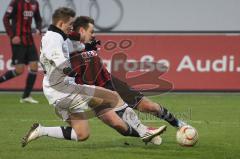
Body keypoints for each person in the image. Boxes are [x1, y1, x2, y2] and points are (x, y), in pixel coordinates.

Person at [21, 7, 166, 147]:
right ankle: (143, 131)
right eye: (70, 24)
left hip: (56, 92)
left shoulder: (58, 36)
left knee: (82, 134)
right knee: (113, 97)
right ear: (61, 23)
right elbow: (59, 61)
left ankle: (41, 130)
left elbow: (76, 46)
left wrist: (88, 47)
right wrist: (69, 69)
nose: (72, 27)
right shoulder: (53, 38)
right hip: (63, 89)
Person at [69, 16, 188, 131]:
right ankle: (146, 133)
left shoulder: (89, 44)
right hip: (92, 92)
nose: (94, 34)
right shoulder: (67, 46)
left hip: (110, 82)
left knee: (150, 106)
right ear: (81, 30)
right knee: (120, 125)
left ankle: (179, 124)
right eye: (91, 31)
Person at [1, 0, 42, 103]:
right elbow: (5, 18)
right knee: (19, 70)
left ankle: (26, 96)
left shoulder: (35, 3)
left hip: (29, 40)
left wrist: (38, 28)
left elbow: (38, 18)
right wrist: (12, 35)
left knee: (34, 66)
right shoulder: (15, 2)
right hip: (18, 40)